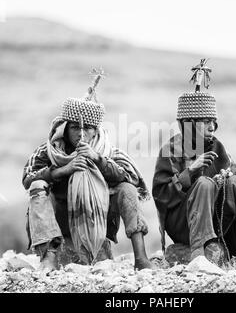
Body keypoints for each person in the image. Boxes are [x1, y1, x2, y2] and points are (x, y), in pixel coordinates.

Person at [22, 70, 154, 271]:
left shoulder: (107, 150)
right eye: (75, 127)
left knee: (127, 189)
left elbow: (131, 177)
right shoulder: (48, 151)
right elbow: (27, 179)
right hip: (62, 214)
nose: (82, 133)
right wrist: (63, 170)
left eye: (89, 128)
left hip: (98, 216)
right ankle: (49, 256)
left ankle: (141, 258)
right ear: (64, 128)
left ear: (96, 130)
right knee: (38, 185)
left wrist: (98, 159)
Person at [152, 60, 236, 266]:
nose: (212, 127)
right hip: (184, 224)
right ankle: (199, 253)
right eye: (205, 121)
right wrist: (190, 172)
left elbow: (234, 187)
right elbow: (161, 196)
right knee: (203, 183)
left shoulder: (219, 148)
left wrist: (225, 181)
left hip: (218, 220)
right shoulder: (171, 150)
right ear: (189, 124)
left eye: (213, 122)